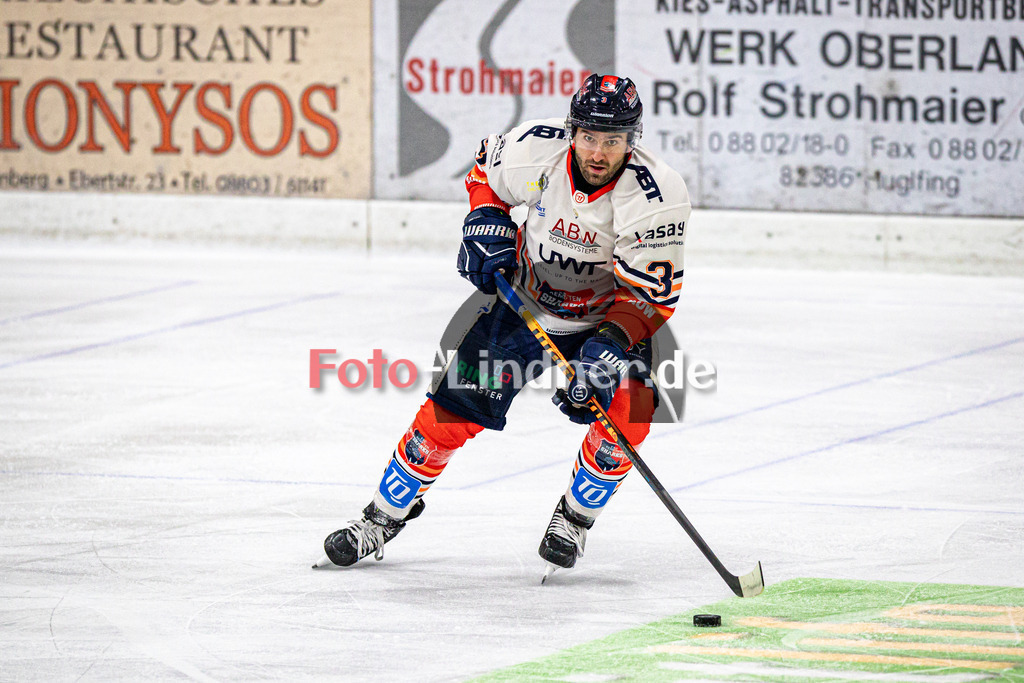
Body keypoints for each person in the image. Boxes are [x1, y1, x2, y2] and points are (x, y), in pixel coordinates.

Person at [315, 74, 691, 573]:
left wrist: (609, 346)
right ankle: (381, 518)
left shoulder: (656, 195)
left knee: (631, 415)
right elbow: (483, 174)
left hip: (606, 318)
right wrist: (485, 222)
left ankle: (574, 521)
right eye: (590, 137)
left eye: (614, 140)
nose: (599, 152)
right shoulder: (536, 149)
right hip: (524, 304)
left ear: (632, 139)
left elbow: (650, 295)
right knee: (449, 414)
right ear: (572, 129)